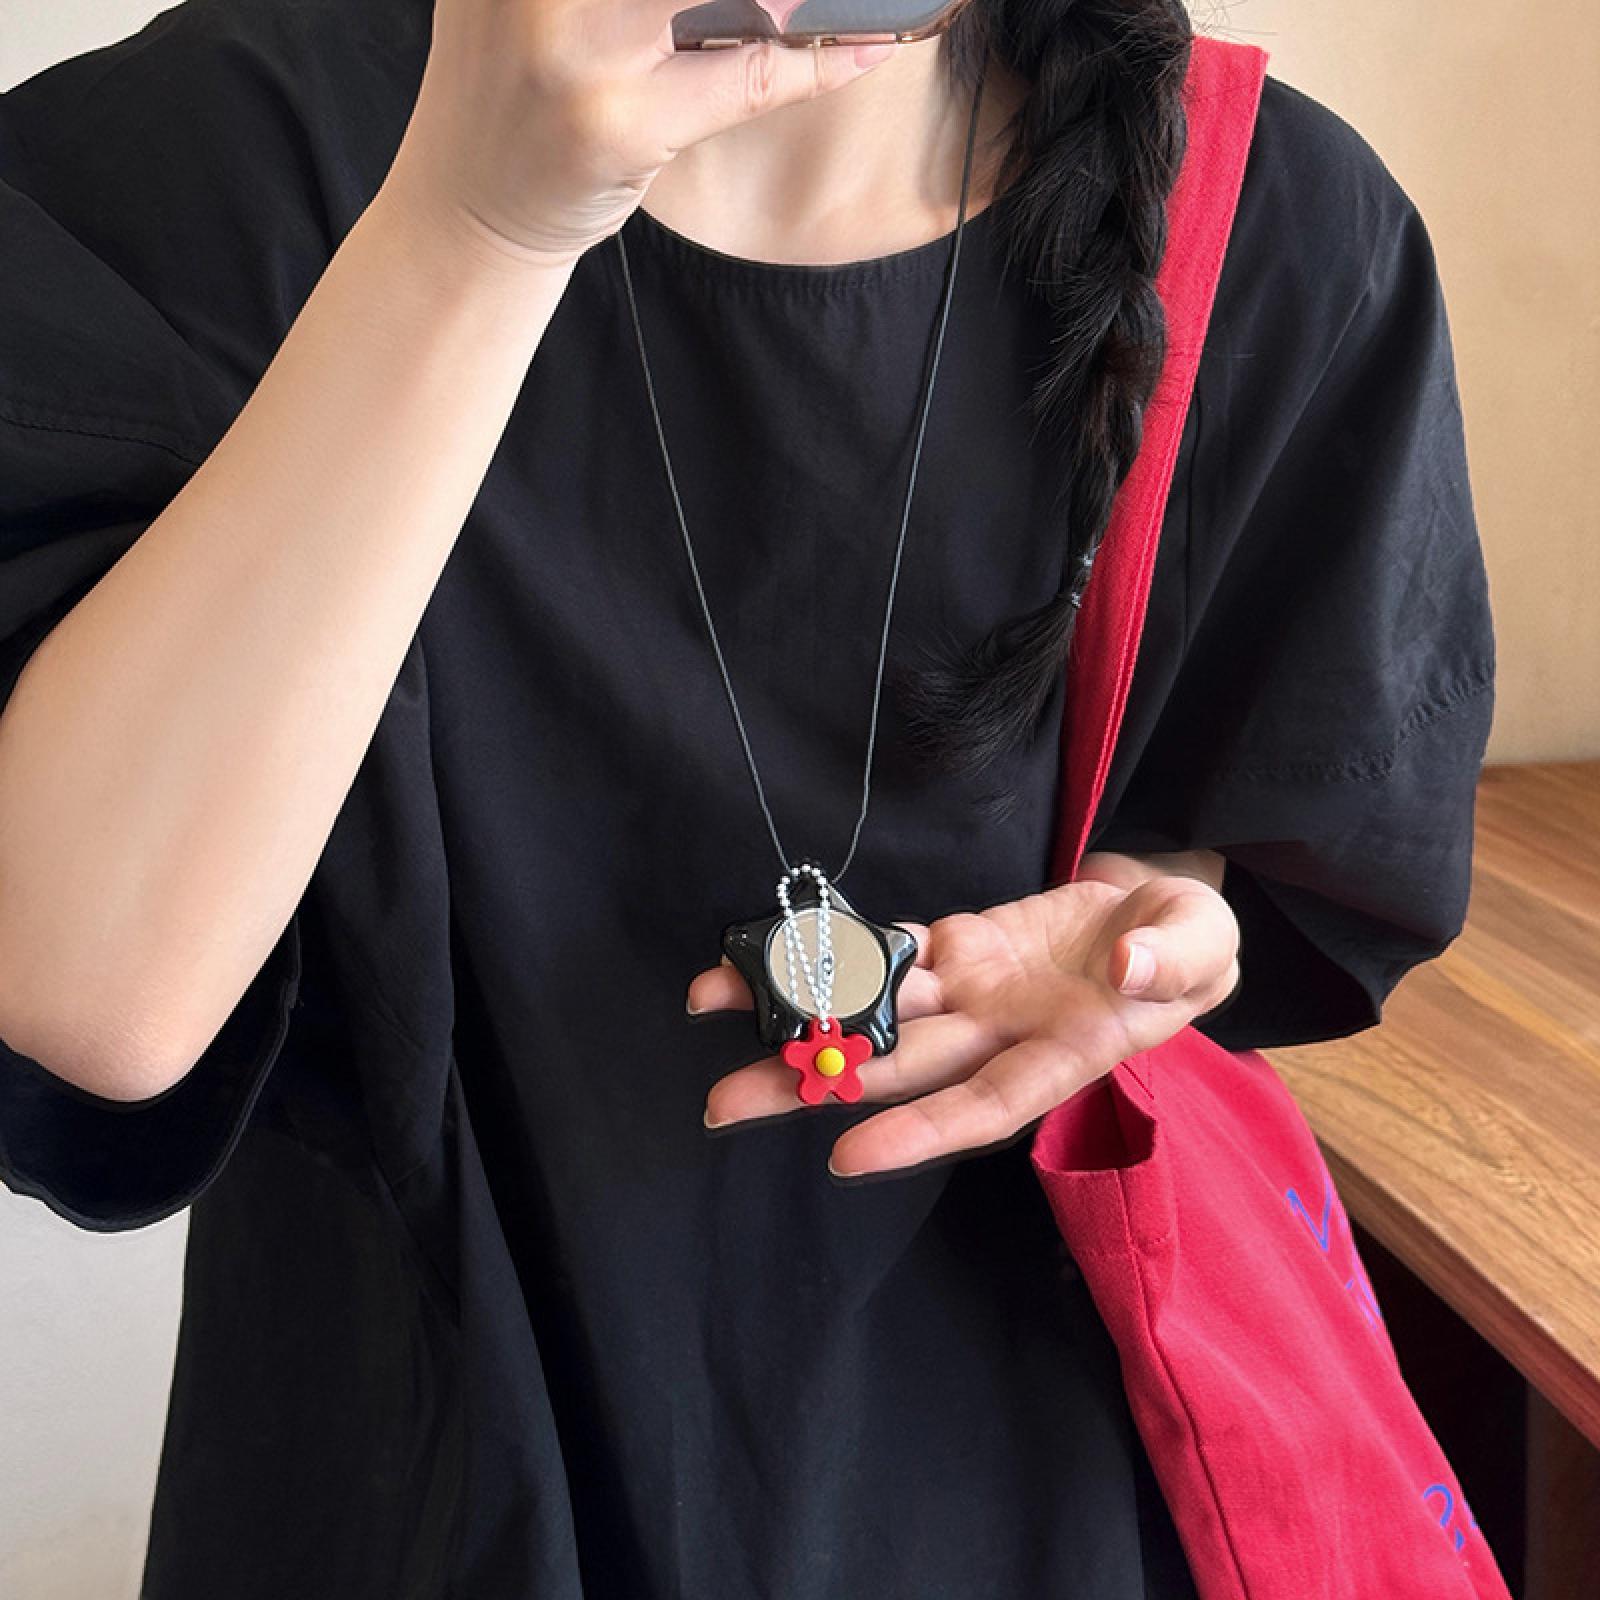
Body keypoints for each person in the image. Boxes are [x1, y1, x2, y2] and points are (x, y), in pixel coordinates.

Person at [0, 0, 1494, 1595]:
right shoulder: (205, 163)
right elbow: (88, 995)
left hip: (1012, 1466)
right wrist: (478, 223)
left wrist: (1154, 911)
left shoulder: (1271, 222)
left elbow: (1257, 801)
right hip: (408, 1469)